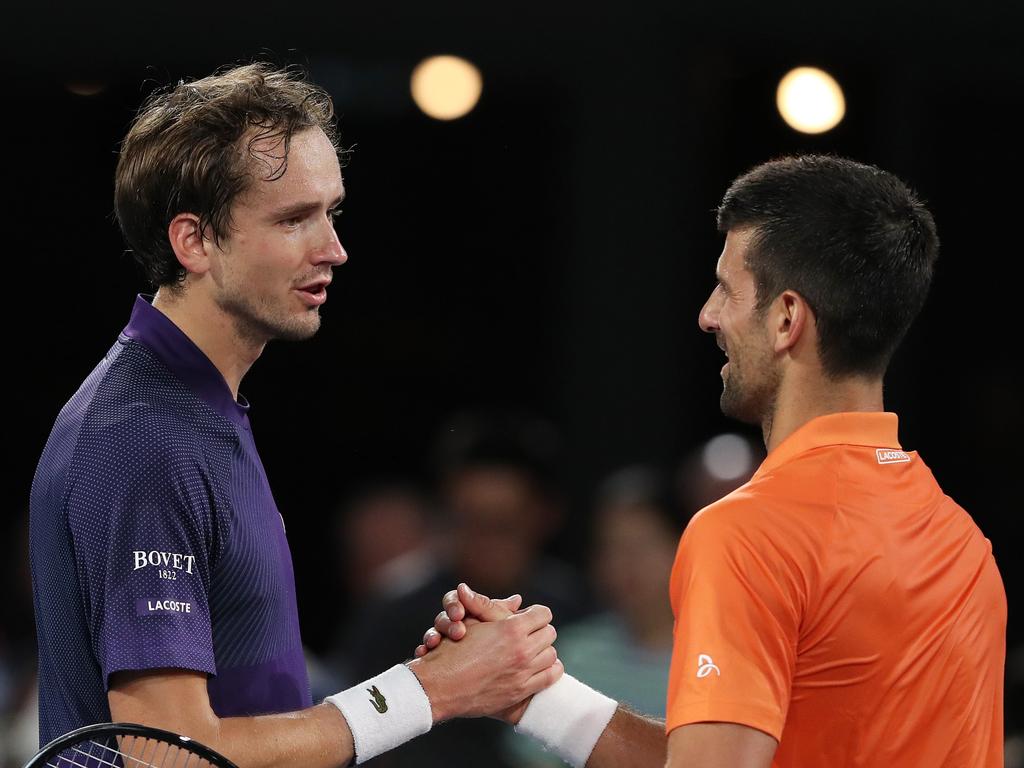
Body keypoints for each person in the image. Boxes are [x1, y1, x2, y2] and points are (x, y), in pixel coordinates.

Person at [28, 63, 561, 768]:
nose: (333, 250)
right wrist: (424, 693)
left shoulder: (193, 413)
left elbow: (251, 710)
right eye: (293, 219)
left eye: (330, 213)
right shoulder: (143, 439)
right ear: (194, 242)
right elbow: (172, 756)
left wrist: (434, 679)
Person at [421, 155, 1007, 767]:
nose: (708, 315)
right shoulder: (965, 546)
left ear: (786, 320)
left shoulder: (748, 534)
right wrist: (536, 697)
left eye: (726, 288)